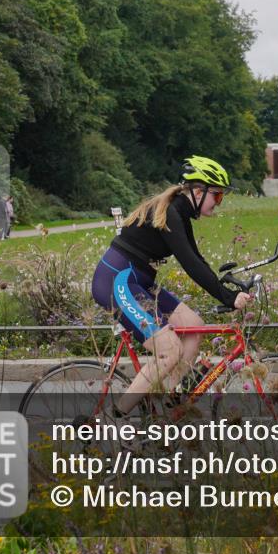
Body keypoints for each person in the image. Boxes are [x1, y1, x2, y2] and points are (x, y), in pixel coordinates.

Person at [91, 155, 252, 415]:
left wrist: (228, 288)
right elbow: (190, 264)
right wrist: (229, 298)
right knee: (169, 351)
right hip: (116, 281)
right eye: (218, 196)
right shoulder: (170, 214)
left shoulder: (180, 214)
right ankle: (114, 418)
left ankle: (168, 405)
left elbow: (197, 259)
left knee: (194, 326)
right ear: (199, 191)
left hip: (138, 281)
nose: (218, 203)